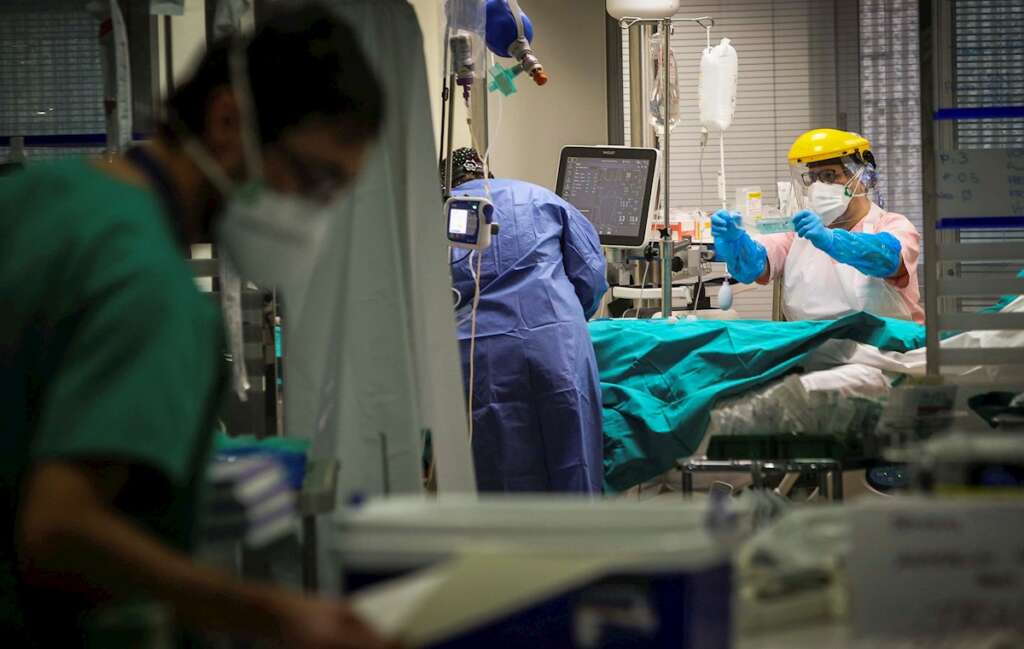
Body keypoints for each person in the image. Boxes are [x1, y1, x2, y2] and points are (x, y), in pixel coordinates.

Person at [0, 5, 395, 648]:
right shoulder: (152, 292)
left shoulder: (38, 198)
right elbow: (59, 530)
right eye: (313, 177)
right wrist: (275, 613)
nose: (313, 214)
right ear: (227, 121)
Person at [444, 148, 608, 493]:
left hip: (479, 359)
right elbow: (591, 274)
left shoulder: (439, 216)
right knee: (571, 462)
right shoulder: (540, 199)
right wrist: (563, 318)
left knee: (496, 472)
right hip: (557, 347)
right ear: (489, 172)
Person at [712, 129, 924, 323]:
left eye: (829, 176)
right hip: (815, 353)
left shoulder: (891, 224)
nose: (818, 187)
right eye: (812, 178)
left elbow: (887, 258)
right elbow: (756, 266)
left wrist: (832, 241)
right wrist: (736, 244)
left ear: (862, 178)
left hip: (885, 353)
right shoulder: (799, 233)